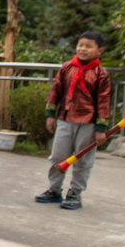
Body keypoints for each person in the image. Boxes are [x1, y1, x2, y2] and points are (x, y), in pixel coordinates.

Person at [35, 31, 111, 210]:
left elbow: (103, 101)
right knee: (58, 157)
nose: (82, 49)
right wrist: (50, 116)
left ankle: (75, 193)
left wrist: (101, 128)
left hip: (88, 124)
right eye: (80, 45)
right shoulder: (67, 68)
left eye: (88, 46)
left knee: (83, 160)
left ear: (99, 50)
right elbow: (56, 92)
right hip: (65, 119)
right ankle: (54, 190)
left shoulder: (101, 74)